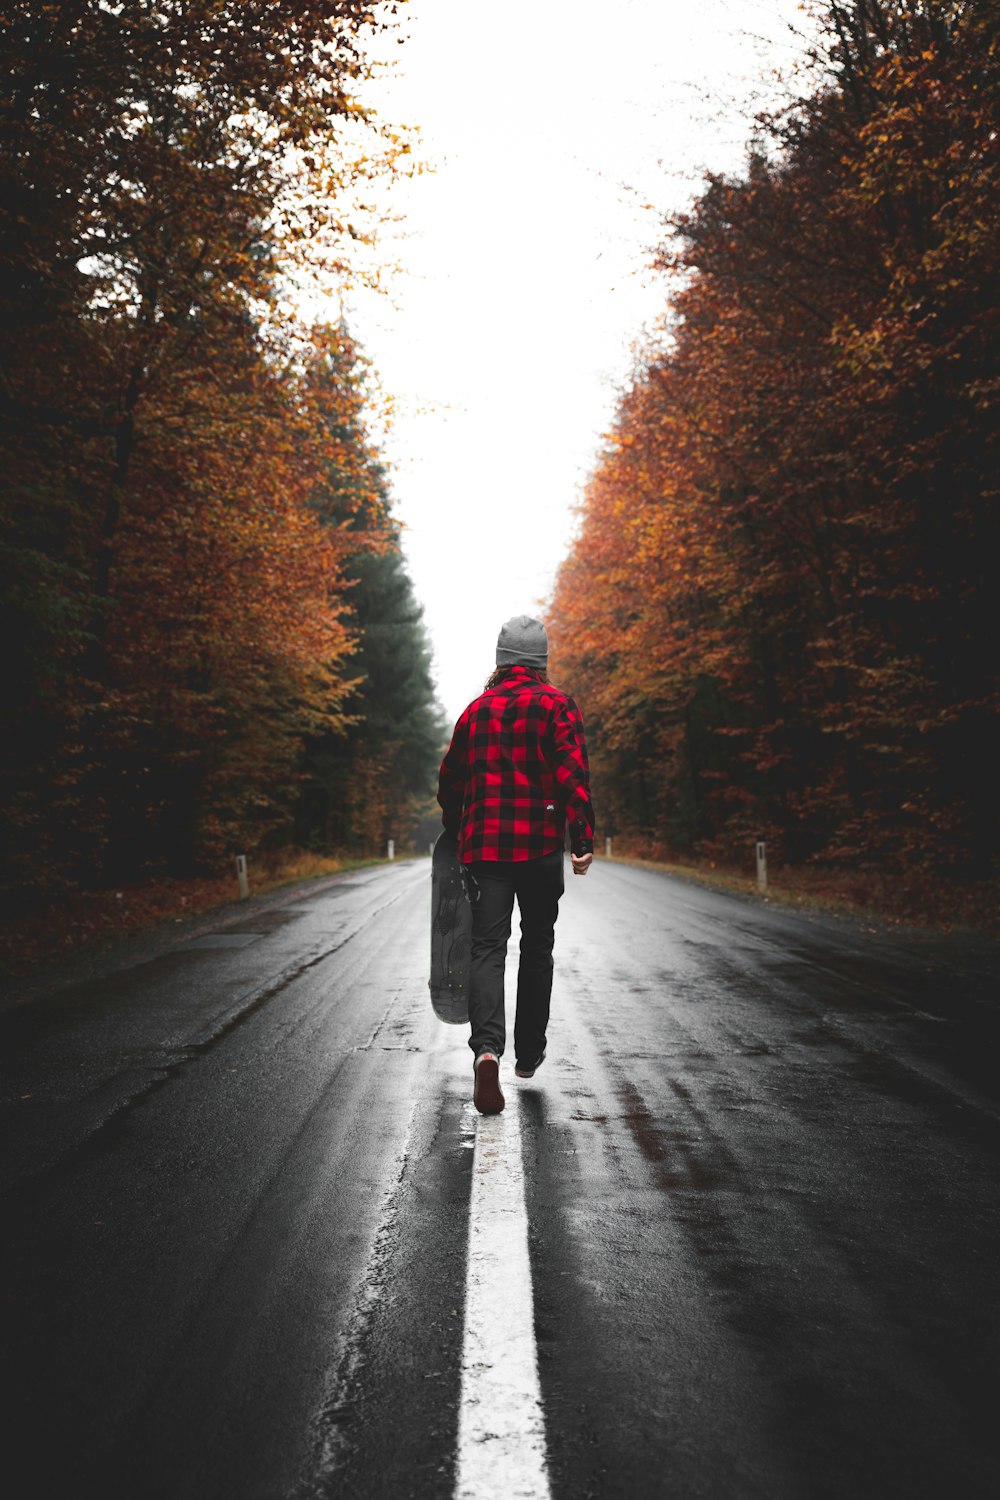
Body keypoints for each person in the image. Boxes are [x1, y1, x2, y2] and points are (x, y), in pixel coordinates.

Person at [437, 614, 595, 1114]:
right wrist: (582, 837)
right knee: (538, 945)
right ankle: (528, 1054)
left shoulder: (475, 713)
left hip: (486, 849)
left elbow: (450, 782)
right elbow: (572, 772)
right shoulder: (557, 706)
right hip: (542, 847)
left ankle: (486, 1051)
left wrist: (457, 826)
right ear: (540, 662)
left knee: (487, 948)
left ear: (501, 662)